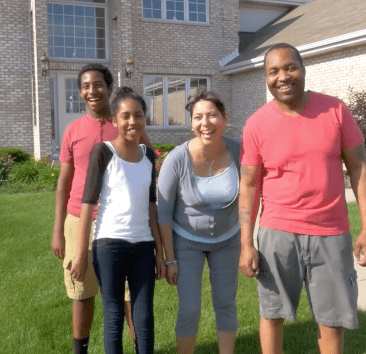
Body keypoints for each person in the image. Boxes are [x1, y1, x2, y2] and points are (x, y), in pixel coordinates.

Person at [238, 43, 366, 354]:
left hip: (330, 232)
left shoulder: (336, 111)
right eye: (273, 71)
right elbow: (249, 185)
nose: (283, 76)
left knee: (331, 320)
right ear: (265, 77)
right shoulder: (256, 124)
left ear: (302, 69)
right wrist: (247, 243)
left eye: (290, 67)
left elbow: (359, 168)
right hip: (277, 233)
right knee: (272, 314)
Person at [51, 64, 141, 354]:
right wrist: (58, 230)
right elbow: (64, 182)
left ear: (110, 87)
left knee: (129, 294)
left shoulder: (125, 124)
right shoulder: (73, 130)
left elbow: (148, 162)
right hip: (79, 220)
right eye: (86, 86)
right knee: (83, 291)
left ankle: (139, 346)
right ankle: (81, 350)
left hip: (121, 222)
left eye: (98, 84)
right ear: (80, 92)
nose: (92, 91)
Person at [70, 86, 166, 354]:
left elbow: (151, 205)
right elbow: (87, 205)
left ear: (144, 119)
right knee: (113, 315)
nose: (132, 122)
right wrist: (81, 254)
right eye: (125, 116)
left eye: (138, 116)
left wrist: (160, 252)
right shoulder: (103, 151)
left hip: (143, 246)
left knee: (144, 315)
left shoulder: (148, 156)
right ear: (115, 119)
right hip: (109, 244)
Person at [158, 90, 241, 354]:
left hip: (228, 239)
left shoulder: (240, 150)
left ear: (224, 118)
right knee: (190, 308)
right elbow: (163, 213)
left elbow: (254, 190)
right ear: (191, 123)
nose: (205, 123)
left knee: (226, 303)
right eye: (198, 117)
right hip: (187, 242)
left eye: (212, 115)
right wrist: (170, 259)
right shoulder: (177, 159)